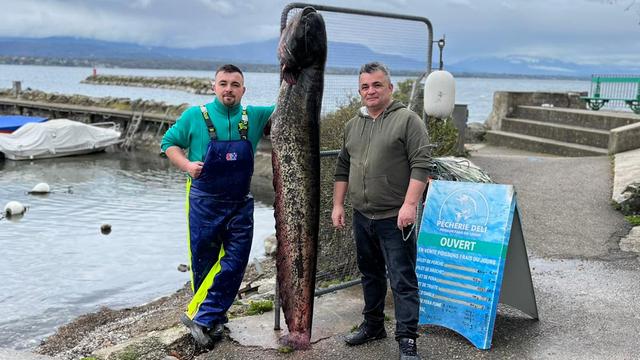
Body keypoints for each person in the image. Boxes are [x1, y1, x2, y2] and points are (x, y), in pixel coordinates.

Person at [161, 64, 274, 348]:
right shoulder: (194, 116)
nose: (228, 89)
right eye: (223, 83)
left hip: (240, 202)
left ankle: (199, 315)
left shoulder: (256, 116)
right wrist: (187, 165)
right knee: (203, 263)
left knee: (236, 261)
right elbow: (168, 143)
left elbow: (290, 104)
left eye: (235, 84)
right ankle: (212, 317)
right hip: (204, 201)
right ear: (214, 87)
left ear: (243, 90)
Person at [332, 62, 430, 360]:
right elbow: (342, 168)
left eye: (377, 85)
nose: (370, 91)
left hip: (394, 218)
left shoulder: (408, 120)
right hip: (363, 216)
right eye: (365, 86)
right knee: (370, 274)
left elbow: (421, 164)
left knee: (402, 279)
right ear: (360, 91)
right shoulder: (353, 125)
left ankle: (407, 339)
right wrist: (338, 204)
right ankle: (373, 325)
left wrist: (410, 205)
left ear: (390, 87)